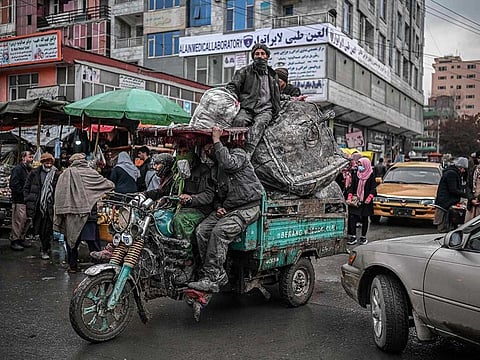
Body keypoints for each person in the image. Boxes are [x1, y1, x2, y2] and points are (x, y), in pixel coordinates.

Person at [188, 127, 264, 293]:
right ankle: (217, 273)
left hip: (248, 207)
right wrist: (219, 207)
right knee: (201, 230)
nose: (209, 152)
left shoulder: (238, 154)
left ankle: (211, 277)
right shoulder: (215, 171)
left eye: (211, 148)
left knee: (219, 231)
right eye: (206, 150)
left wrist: (216, 140)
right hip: (229, 208)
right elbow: (216, 196)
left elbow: (229, 164)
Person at [54, 153, 115, 273]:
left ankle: (73, 266)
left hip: (71, 214)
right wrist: (94, 194)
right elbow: (110, 185)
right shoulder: (92, 173)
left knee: (72, 242)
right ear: (84, 161)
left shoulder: (65, 174)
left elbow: (59, 194)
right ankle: (98, 267)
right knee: (93, 243)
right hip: (89, 214)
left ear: (72, 162)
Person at [226, 43, 281, 155]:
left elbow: (277, 95)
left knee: (260, 123)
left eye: (262, 53)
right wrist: (233, 97)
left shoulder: (272, 75)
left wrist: (293, 99)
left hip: (265, 109)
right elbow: (232, 87)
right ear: (253, 57)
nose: (260, 56)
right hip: (247, 108)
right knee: (239, 121)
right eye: (257, 54)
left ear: (267, 56)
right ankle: (232, 151)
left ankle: (248, 153)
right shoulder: (244, 72)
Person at [23, 153, 59, 260]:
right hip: (38, 206)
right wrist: (28, 198)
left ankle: (45, 248)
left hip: (50, 205)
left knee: (47, 228)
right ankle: (45, 246)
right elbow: (27, 187)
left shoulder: (56, 174)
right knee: (39, 227)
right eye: (46, 162)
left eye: (50, 162)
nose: (48, 165)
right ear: (42, 162)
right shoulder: (35, 173)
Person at [346, 157, 377, 245]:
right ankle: (353, 236)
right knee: (352, 217)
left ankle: (363, 237)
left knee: (364, 218)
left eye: (360, 164)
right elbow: (352, 187)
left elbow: (373, 188)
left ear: (365, 165)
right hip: (356, 200)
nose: (359, 166)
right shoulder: (356, 174)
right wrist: (349, 196)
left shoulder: (371, 175)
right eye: (358, 164)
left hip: (366, 202)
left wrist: (369, 198)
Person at [434, 157, 468, 232]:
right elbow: (453, 189)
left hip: (445, 202)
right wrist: (466, 195)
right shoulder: (452, 174)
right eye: (464, 168)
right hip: (445, 203)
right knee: (443, 225)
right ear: (460, 167)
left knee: (444, 223)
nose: (464, 171)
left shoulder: (451, 172)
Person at [9, 150, 34, 251]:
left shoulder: (29, 170)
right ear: (24, 158)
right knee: (19, 221)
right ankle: (15, 240)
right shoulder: (18, 169)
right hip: (19, 200)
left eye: (32, 157)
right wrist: (23, 193)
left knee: (26, 221)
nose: (31, 159)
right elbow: (14, 184)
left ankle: (21, 238)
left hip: (27, 200)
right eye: (30, 157)